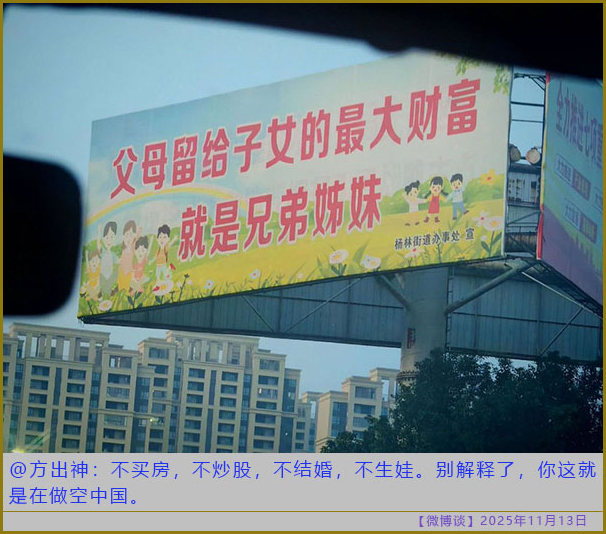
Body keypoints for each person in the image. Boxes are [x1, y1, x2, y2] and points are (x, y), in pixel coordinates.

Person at [117, 220, 141, 291]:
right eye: (127, 235)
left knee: (127, 285)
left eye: (131, 235)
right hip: (122, 271)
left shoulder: (133, 247)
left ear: (134, 236)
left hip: (129, 272)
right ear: (123, 236)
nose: (128, 238)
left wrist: (139, 230)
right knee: (121, 285)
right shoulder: (123, 248)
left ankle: (130, 289)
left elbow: (138, 238)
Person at [97, 221, 119, 297]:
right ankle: (102, 292)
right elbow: (98, 245)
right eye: (107, 237)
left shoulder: (113, 254)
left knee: (112, 278)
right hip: (103, 274)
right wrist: (99, 232)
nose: (109, 240)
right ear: (103, 238)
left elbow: (117, 262)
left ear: (115, 238)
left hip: (110, 274)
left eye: (111, 237)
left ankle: (110, 290)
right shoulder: (103, 250)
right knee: (103, 281)